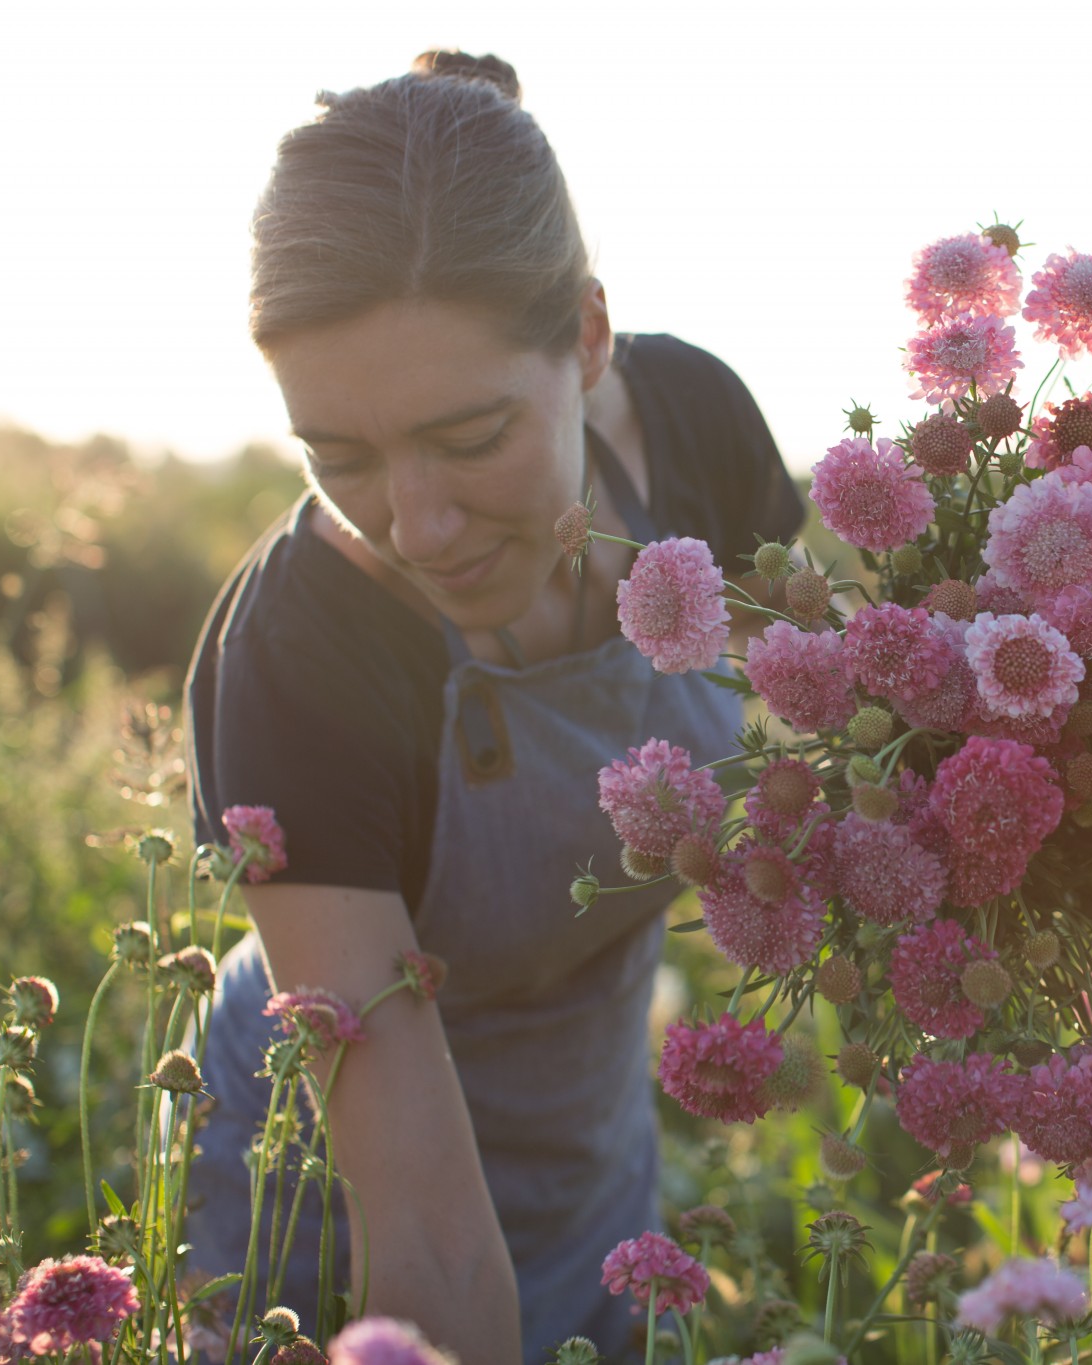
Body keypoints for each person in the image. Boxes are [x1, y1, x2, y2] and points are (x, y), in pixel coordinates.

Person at [182, 50, 803, 1360]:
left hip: (596, 1146)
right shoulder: (299, 664)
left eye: (470, 439)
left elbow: (844, 717)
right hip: (325, 1192)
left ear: (585, 336)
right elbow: (430, 1233)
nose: (419, 524)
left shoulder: (694, 429)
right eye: (340, 456)